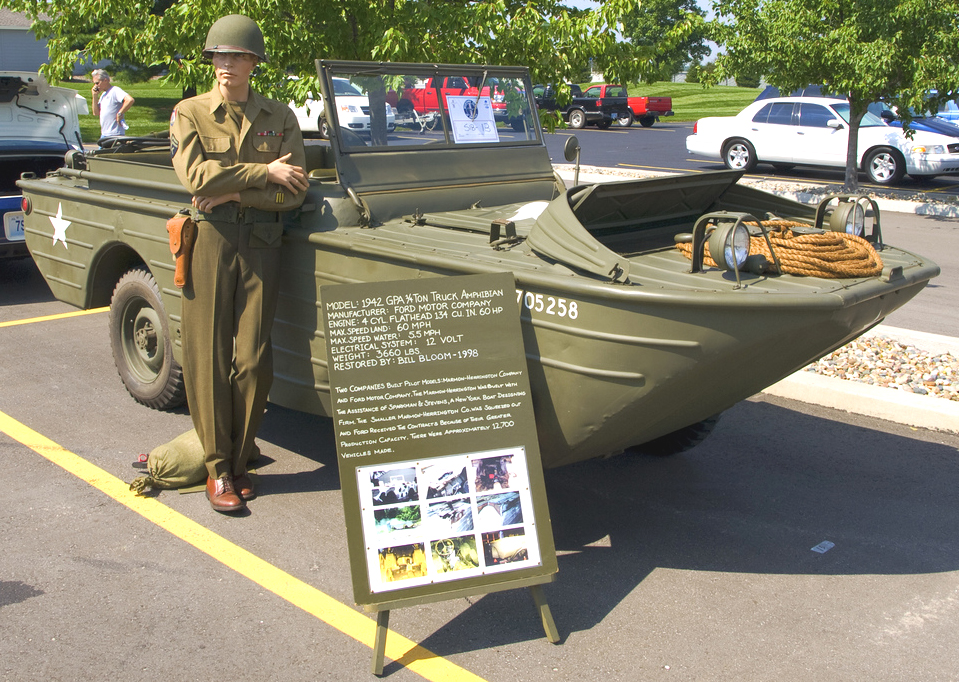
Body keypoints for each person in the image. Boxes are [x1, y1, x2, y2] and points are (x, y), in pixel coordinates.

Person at [169, 14, 308, 512]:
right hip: (210, 241)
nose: (226, 64)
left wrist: (234, 192)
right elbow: (197, 178)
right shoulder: (190, 112)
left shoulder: (280, 116)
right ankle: (218, 469)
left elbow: (295, 190)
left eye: (237, 56)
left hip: (263, 245)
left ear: (253, 62)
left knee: (252, 359)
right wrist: (263, 173)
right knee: (206, 355)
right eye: (220, 56)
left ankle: (242, 455)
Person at [91, 69, 135, 144]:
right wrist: (95, 96)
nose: (95, 86)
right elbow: (96, 113)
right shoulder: (103, 95)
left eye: (97, 83)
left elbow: (130, 100)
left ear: (105, 80)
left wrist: (120, 113)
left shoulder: (115, 90)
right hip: (104, 134)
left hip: (115, 134)